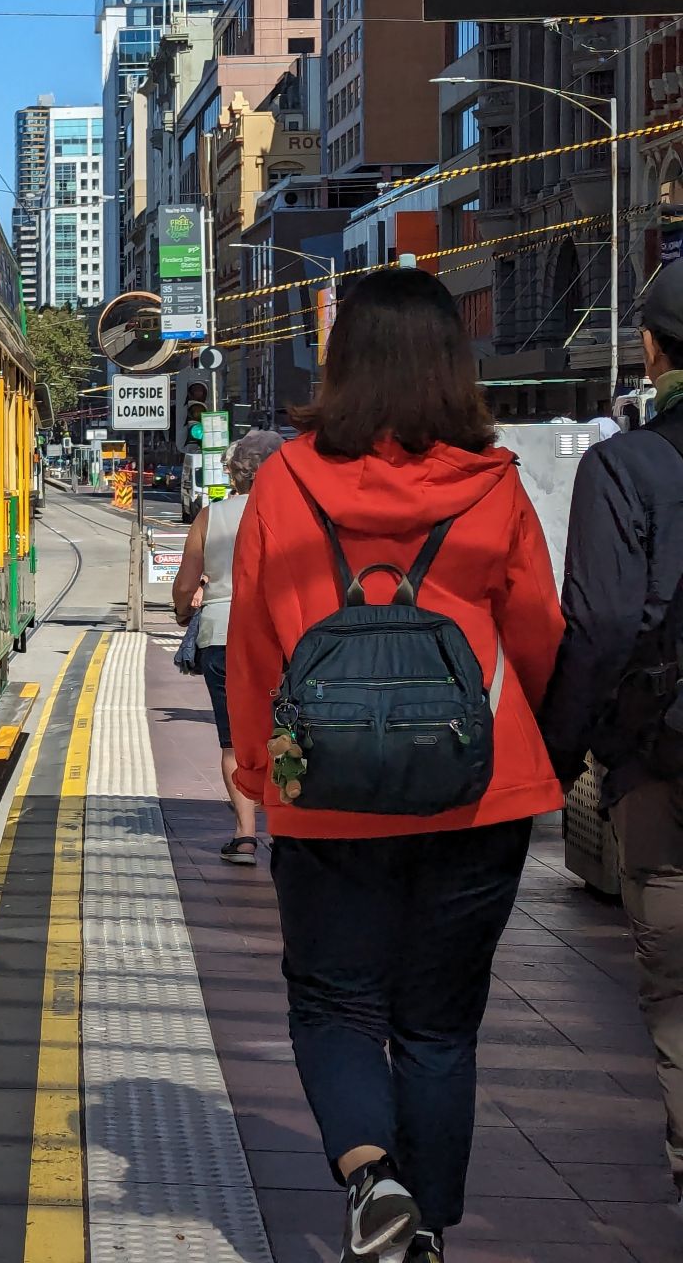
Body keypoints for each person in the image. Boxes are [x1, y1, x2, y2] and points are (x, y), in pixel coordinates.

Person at [227, 269, 565, 1263]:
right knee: (440, 1025)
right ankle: (429, 1230)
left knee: (333, 1003)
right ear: (454, 368)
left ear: (341, 364)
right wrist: (511, 733)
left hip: (324, 797)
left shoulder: (286, 479)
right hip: (478, 795)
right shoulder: (493, 482)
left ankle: (371, 1179)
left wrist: (261, 773)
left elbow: (251, 640)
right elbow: (539, 630)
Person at [540, 263, 683, 1225]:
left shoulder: (625, 467)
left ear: (650, 346)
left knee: (675, 983)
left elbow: (595, 631)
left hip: (664, 764)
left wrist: (557, 758)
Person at [172, 429, 284, 866]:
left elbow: (185, 583)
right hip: (282, 637)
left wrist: (184, 611)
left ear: (233, 472)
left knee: (234, 740)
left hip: (223, 634)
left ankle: (244, 836)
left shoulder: (210, 517)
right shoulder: (296, 513)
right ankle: (288, 828)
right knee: (286, 732)